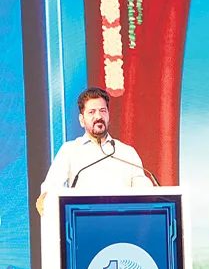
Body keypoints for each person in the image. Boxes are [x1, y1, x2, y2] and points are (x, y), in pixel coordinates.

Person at [36, 87, 152, 215]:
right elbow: (50, 188)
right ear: (81, 120)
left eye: (103, 111)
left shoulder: (127, 152)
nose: (98, 116)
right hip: (82, 222)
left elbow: (145, 192)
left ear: (108, 115)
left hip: (123, 221)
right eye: (92, 112)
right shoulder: (69, 150)